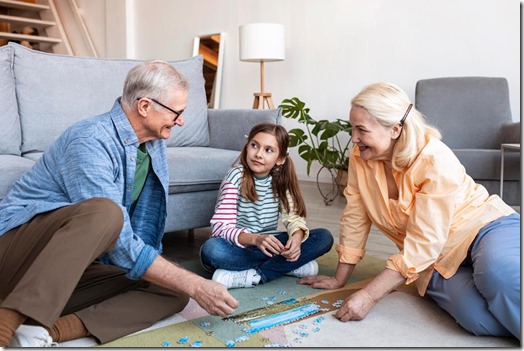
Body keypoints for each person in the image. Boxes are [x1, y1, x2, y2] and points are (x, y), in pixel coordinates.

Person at [0, 60, 239, 347]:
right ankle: (5, 324)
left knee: (172, 290)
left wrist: (183, 283)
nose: (181, 121)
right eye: (177, 112)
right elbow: (119, 238)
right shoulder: (90, 139)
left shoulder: (152, 143)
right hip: (15, 256)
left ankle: (42, 331)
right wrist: (197, 283)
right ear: (145, 107)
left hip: (64, 271)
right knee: (105, 212)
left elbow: (135, 236)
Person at [299, 82, 520, 340]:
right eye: (352, 129)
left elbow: (423, 242)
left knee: (497, 275)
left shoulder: (435, 159)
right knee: (475, 318)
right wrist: (339, 279)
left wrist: (370, 295)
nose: (354, 138)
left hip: (484, 227)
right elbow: (355, 217)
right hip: (434, 259)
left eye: (361, 130)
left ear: (395, 129)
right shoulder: (359, 157)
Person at [200, 122, 334, 289]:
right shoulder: (235, 176)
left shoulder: (280, 181)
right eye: (254, 146)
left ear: (280, 159)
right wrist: (256, 239)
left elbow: (293, 218)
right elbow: (220, 228)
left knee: (323, 237)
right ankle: (286, 266)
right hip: (240, 247)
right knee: (212, 250)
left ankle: (254, 275)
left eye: (268, 150)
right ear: (247, 146)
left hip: (270, 245)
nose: (258, 154)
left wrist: (296, 241)